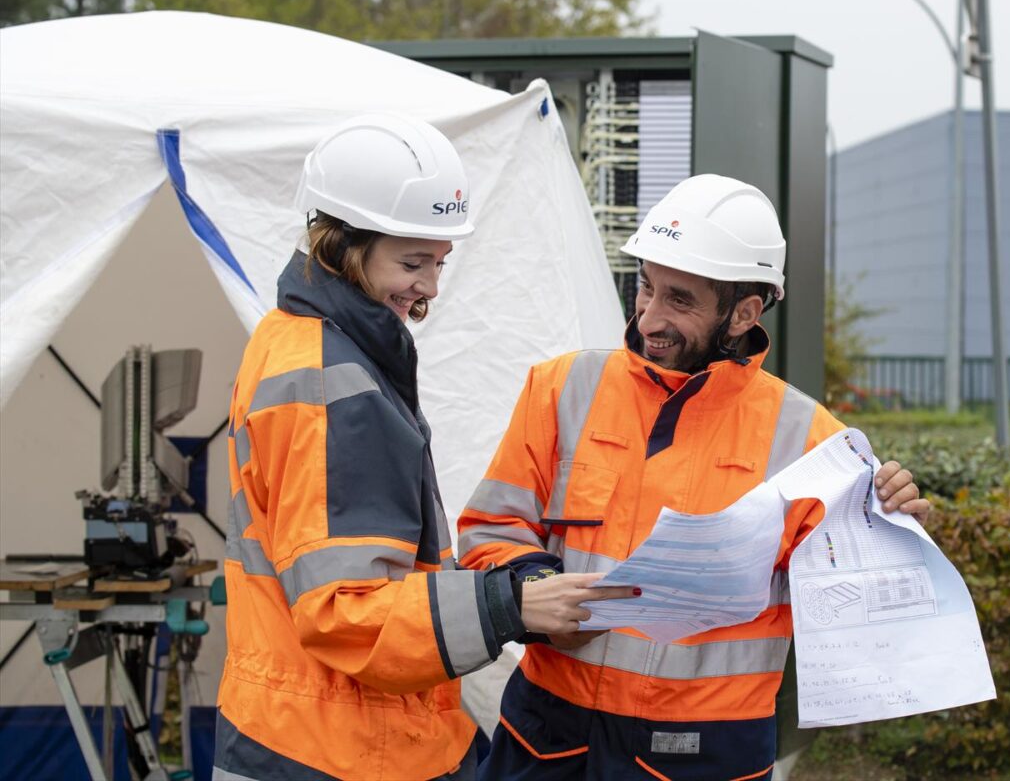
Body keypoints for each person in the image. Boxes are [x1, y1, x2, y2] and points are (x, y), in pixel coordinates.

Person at [457, 174, 931, 780]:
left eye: (679, 300)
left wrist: (896, 536)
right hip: (550, 734)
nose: (650, 317)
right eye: (645, 288)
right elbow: (486, 532)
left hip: (703, 753)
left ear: (744, 313)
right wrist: (537, 592)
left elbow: (858, 612)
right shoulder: (560, 389)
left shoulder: (811, 440)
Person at [213, 114, 633, 781]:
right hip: (337, 749)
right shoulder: (334, 382)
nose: (431, 288)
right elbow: (344, 609)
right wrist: (511, 606)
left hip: (310, 726)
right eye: (412, 263)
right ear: (341, 245)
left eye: (439, 262)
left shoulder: (292, 336)